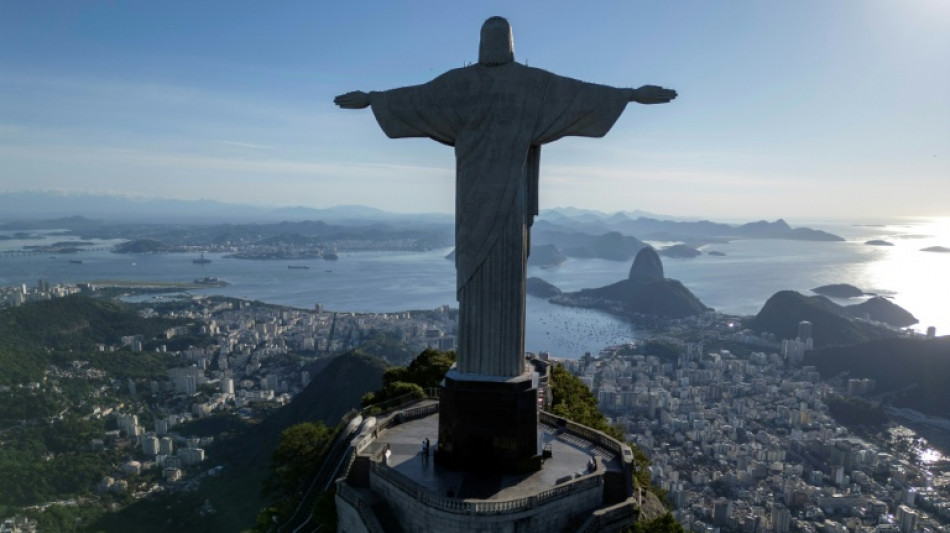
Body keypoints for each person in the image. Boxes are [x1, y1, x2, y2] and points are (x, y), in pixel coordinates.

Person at [334, 16, 676, 378]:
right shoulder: (503, 84)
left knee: (498, 272)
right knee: (479, 272)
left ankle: (489, 366)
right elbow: (417, 98)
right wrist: (372, 100)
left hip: (491, 198)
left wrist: (630, 95)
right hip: (484, 198)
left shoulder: (488, 84)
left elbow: (416, 100)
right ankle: (483, 366)